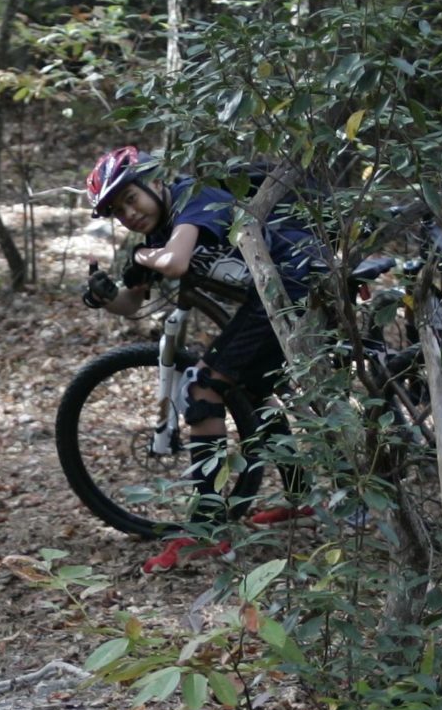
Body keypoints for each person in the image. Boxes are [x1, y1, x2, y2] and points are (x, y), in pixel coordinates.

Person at [79, 147, 325, 572]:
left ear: (155, 181)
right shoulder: (160, 233)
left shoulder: (193, 198)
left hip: (296, 281)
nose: (129, 215)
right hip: (281, 292)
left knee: (200, 387)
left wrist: (140, 257)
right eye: (118, 212)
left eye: (131, 199)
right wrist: (106, 295)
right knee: (250, 389)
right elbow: (132, 303)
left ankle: (206, 532)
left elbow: (173, 264)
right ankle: (303, 501)